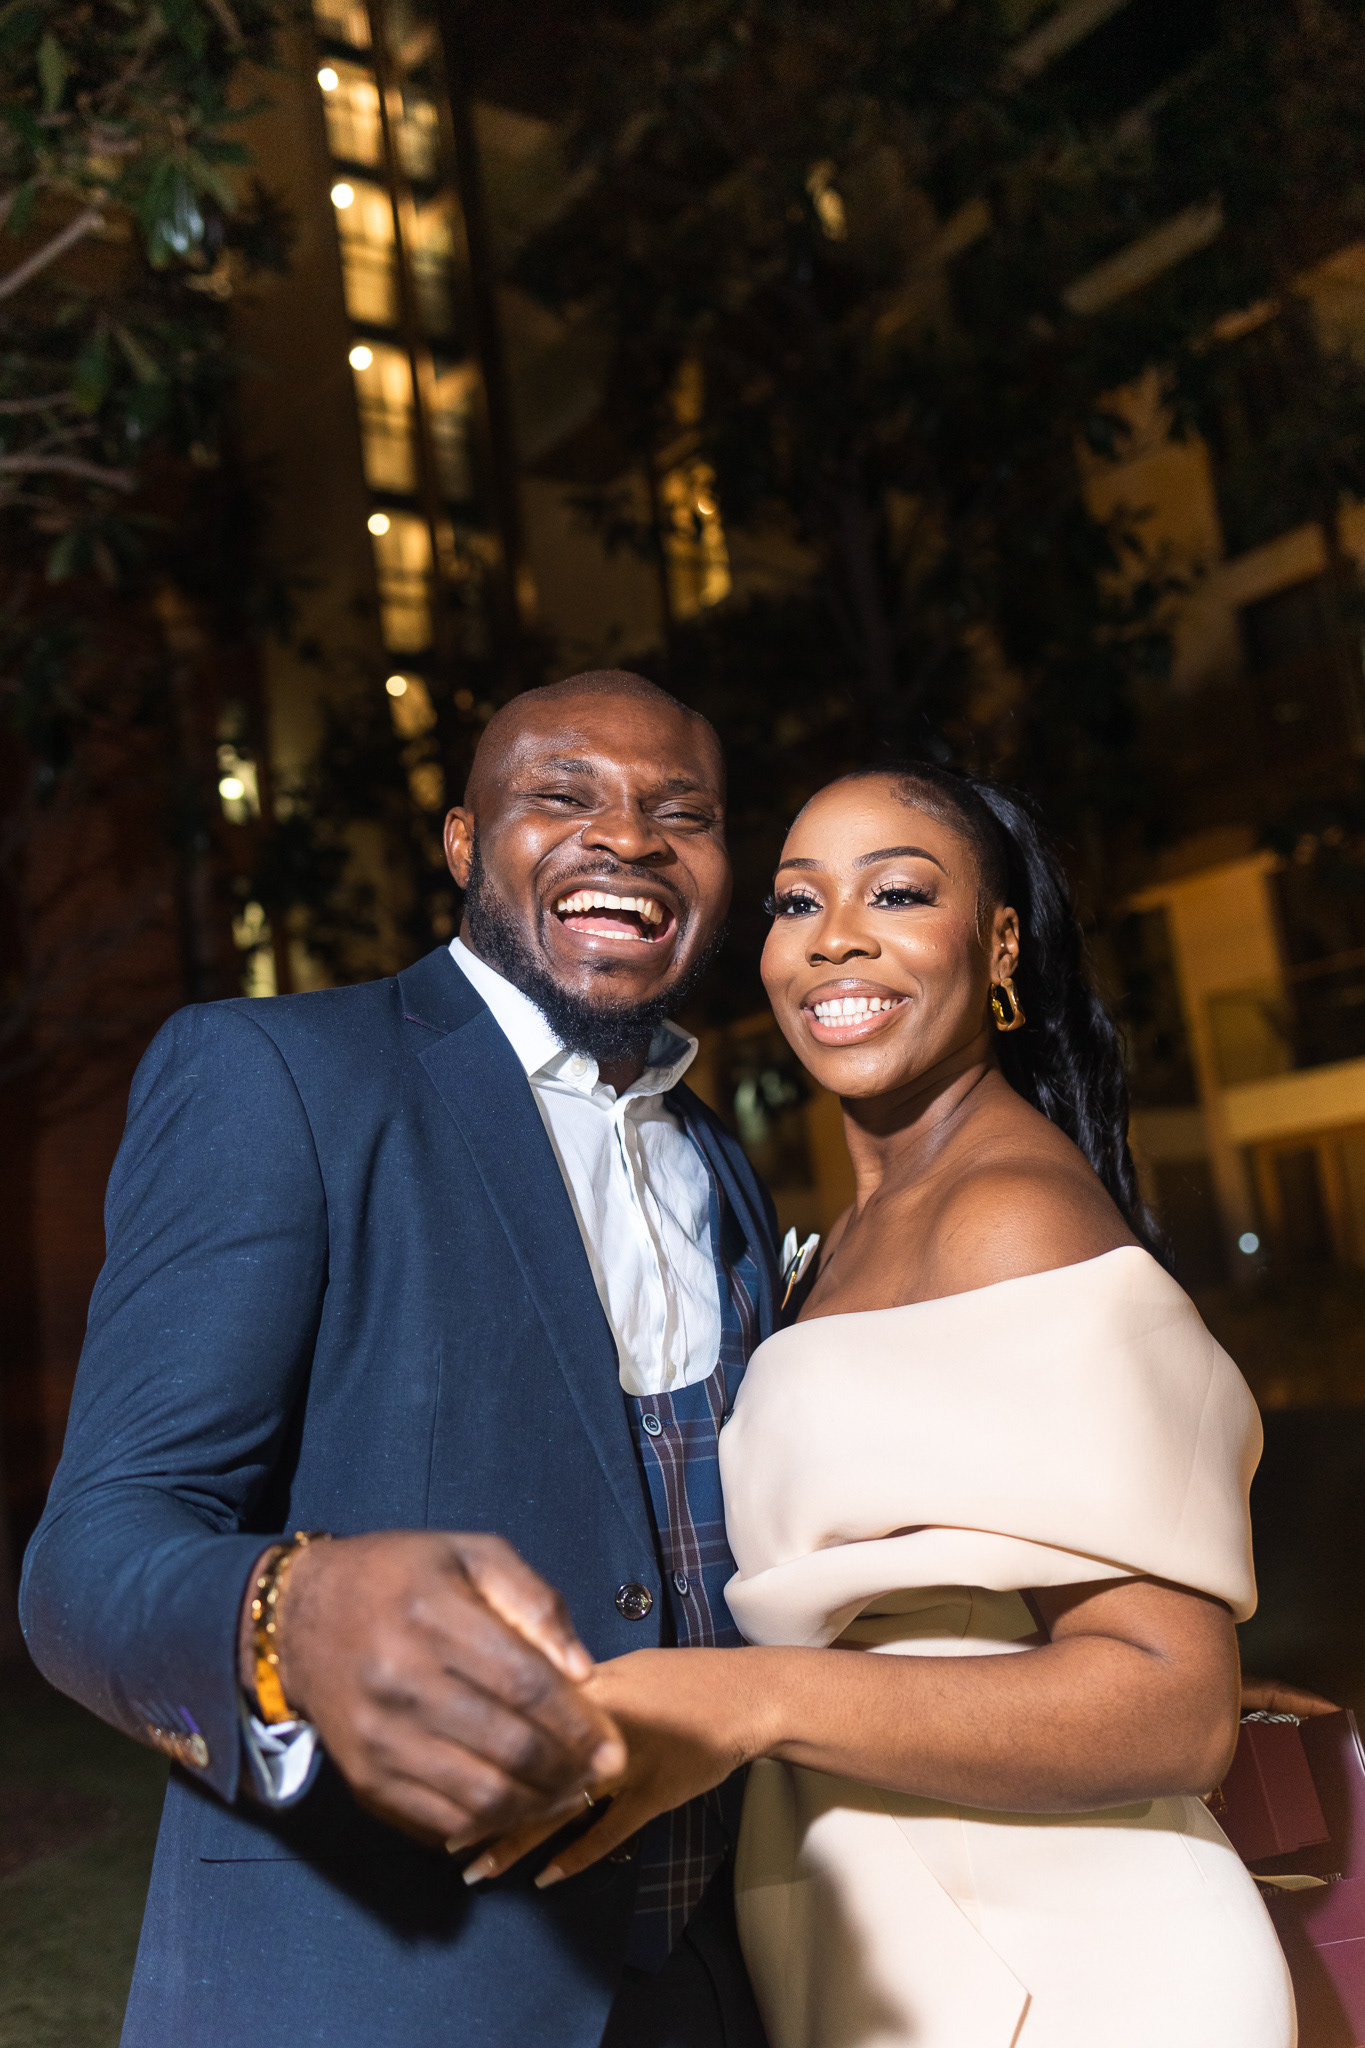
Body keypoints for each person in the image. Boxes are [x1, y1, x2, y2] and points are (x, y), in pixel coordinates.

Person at [468, 763, 1297, 2048]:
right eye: (797, 902)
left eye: (897, 892)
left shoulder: (1012, 1215)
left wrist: (751, 1699)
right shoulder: (846, 1235)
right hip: (886, 1934)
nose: (835, 937)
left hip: (1057, 1956)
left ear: (1001, 944)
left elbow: (1173, 1705)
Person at [19, 671, 778, 2048]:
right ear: (462, 844)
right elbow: (87, 1560)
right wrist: (289, 1616)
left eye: (685, 813)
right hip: (382, 1982)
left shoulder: (719, 1159)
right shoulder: (277, 1075)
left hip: (711, 1983)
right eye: (562, 794)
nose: (629, 837)